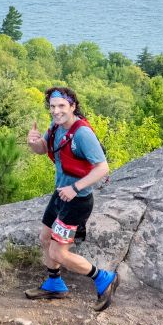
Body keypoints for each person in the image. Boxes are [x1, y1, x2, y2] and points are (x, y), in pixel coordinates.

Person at [24, 86, 119, 311]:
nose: (56, 111)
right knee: (46, 238)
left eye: (61, 106)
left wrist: (75, 188)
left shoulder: (82, 134)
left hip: (76, 201)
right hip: (60, 195)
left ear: (73, 106)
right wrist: (33, 142)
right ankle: (54, 284)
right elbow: (43, 149)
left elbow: (102, 167)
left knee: (58, 252)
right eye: (52, 106)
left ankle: (105, 278)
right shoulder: (56, 127)